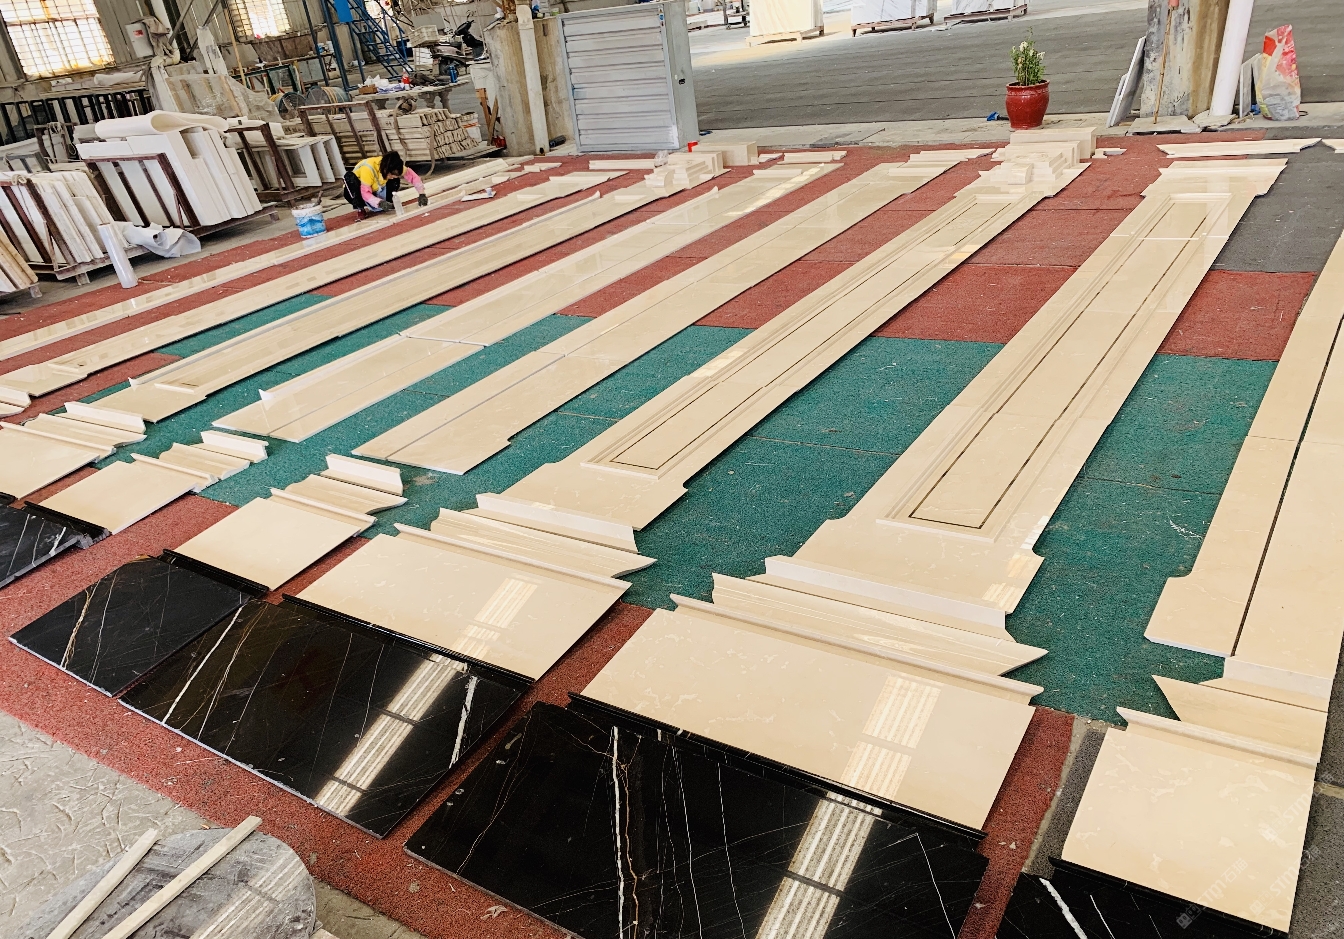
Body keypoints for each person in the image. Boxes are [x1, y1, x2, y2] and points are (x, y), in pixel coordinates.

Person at [343, 150, 428, 218]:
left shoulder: (393, 166)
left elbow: (413, 176)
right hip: (358, 191)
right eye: (391, 175)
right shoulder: (368, 169)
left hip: (377, 188)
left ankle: (386, 202)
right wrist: (379, 203)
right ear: (385, 170)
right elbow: (365, 193)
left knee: (395, 181)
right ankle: (360, 209)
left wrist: (422, 193)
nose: (392, 177)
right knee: (351, 182)